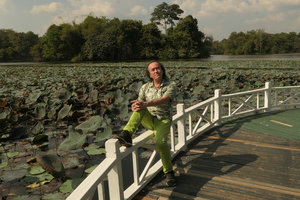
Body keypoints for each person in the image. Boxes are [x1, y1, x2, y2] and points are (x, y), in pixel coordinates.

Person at [113, 61, 177, 187]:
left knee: (160, 142)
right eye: (153, 70)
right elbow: (140, 102)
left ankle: (169, 172)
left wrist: (146, 104)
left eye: (158, 68)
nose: (156, 71)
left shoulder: (171, 85)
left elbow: (165, 99)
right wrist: (135, 106)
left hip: (163, 120)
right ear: (149, 74)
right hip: (148, 119)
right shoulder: (145, 87)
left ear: (162, 70)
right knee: (139, 108)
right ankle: (127, 133)